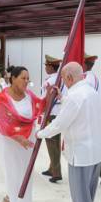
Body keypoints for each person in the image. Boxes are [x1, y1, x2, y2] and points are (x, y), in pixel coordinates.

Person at [36, 62, 101, 202]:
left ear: (70, 78)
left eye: (64, 78)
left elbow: (60, 124)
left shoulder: (75, 96)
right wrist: (62, 97)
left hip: (80, 154)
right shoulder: (90, 91)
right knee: (86, 194)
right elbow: (77, 108)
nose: (63, 81)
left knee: (81, 197)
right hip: (94, 152)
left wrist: (40, 134)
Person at [0, 66, 45, 202]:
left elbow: (41, 105)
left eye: (27, 79)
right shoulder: (3, 98)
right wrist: (19, 138)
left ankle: (9, 201)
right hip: (11, 142)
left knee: (25, 173)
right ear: (13, 78)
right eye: (23, 78)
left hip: (27, 141)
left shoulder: (29, 95)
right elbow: (3, 123)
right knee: (16, 174)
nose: (26, 82)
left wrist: (53, 94)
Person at [84, 53, 101, 186]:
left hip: (88, 117)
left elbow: (86, 100)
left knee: (92, 146)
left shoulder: (88, 79)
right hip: (88, 116)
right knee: (92, 146)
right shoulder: (87, 77)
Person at [41, 54, 64, 183]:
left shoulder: (49, 81)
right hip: (59, 113)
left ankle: (56, 172)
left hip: (51, 113)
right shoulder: (61, 79)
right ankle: (52, 168)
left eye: (46, 65)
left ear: (50, 66)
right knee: (56, 142)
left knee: (51, 143)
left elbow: (45, 99)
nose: (45, 68)